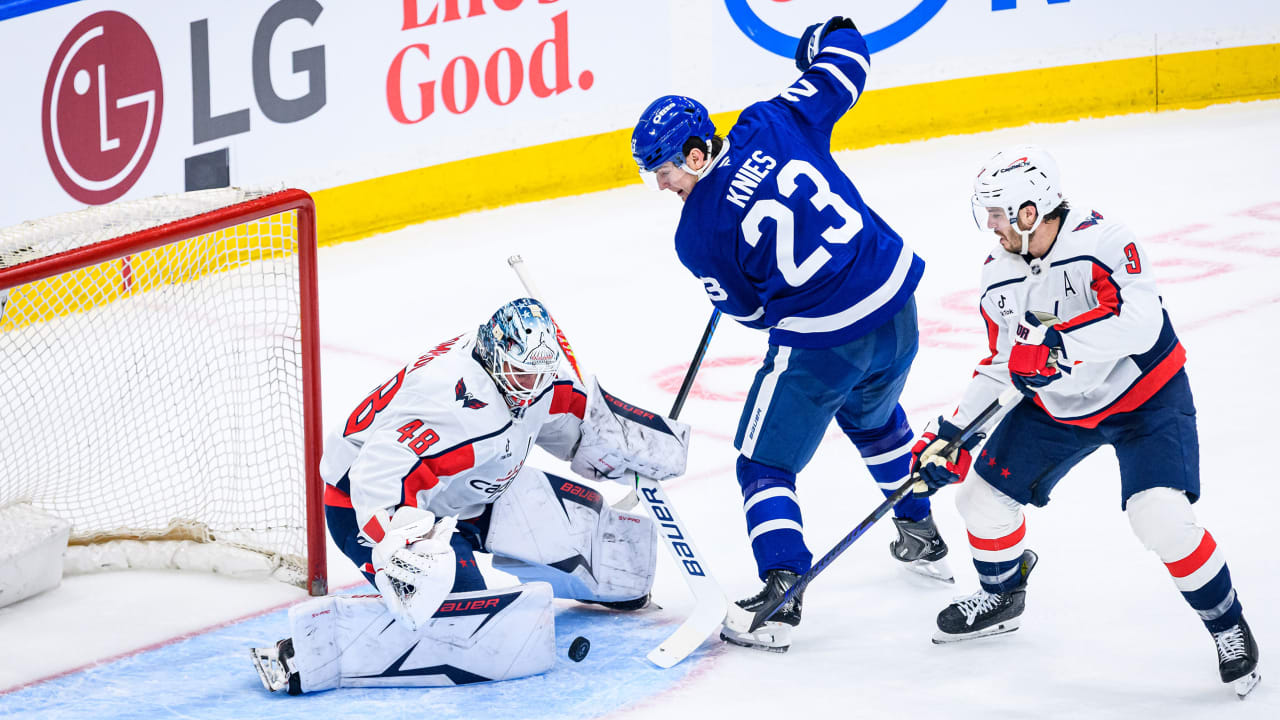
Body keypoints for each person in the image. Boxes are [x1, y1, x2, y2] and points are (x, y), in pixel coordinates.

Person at [631, 16, 947, 653]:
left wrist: (740, 264)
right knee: (874, 417)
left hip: (825, 338)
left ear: (696, 154)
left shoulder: (696, 237)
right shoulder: (771, 119)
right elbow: (845, 62)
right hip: (897, 304)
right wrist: (822, 35)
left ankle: (782, 592)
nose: (661, 184)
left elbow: (752, 314)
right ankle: (920, 532)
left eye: (665, 170)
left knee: (763, 463)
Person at [911, 145, 1261, 698]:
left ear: (1031, 212)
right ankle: (1003, 596)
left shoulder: (1103, 241)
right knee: (978, 499)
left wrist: (1057, 346)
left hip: (1144, 395)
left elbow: (1142, 324)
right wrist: (952, 433)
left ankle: (1228, 626)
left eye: (999, 215)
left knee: (1159, 517)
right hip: (1060, 407)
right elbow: (1004, 363)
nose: (992, 227)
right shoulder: (997, 276)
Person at [249, 297, 690, 694]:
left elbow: (571, 417)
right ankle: (311, 652)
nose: (531, 384)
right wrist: (402, 547)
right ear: (496, 357)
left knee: (606, 548)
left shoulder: (522, 371)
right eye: (521, 372)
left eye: (539, 373)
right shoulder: (448, 404)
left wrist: (625, 443)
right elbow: (376, 476)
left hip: (475, 486)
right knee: (466, 623)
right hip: (377, 507)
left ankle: (605, 583)